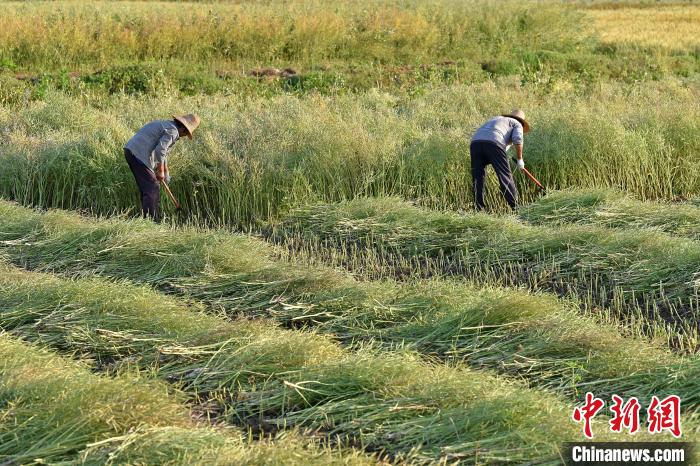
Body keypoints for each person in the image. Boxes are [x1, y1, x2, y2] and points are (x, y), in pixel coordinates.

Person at [124, 114, 200, 220]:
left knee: (147, 188)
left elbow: (163, 153)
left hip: (131, 151)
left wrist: (165, 171)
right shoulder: (173, 131)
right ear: (183, 128)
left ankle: (146, 219)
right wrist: (160, 171)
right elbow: (160, 150)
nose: (183, 136)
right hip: (138, 154)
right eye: (186, 133)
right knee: (153, 187)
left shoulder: (168, 125)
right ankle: (151, 221)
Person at [470, 109, 530, 211]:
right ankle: (517, 209)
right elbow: (518, 139)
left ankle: (479, 210)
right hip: (494, 143)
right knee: (505, 176)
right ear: (521, 121)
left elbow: (491, 134)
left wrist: (502, 151)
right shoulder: (517, 123)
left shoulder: (497, 119)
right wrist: (520, 159)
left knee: (478, 177)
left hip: (475, 144)